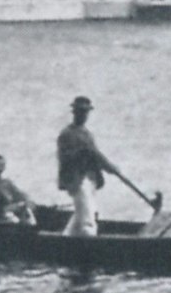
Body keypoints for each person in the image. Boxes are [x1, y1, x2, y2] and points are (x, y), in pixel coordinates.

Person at [57, 95, 121, 236]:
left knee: (83, 212)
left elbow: (96, 156)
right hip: (76, 180)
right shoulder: (67, 134)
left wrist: (110, 168)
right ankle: (90, 242)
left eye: (85, 112)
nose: (83, 115)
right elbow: (66, 159)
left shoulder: (87, 134)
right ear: (74, 113)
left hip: (90, 179)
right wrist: (83, 152)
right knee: (88, 218)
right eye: (80, 111)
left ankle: (65, 239)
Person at [0, 154, 36, 225]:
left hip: (7, 216)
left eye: (0, 168)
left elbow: (23, 195)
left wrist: (27, 203)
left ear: (3, 168)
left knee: (25, 212)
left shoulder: (6, 183)